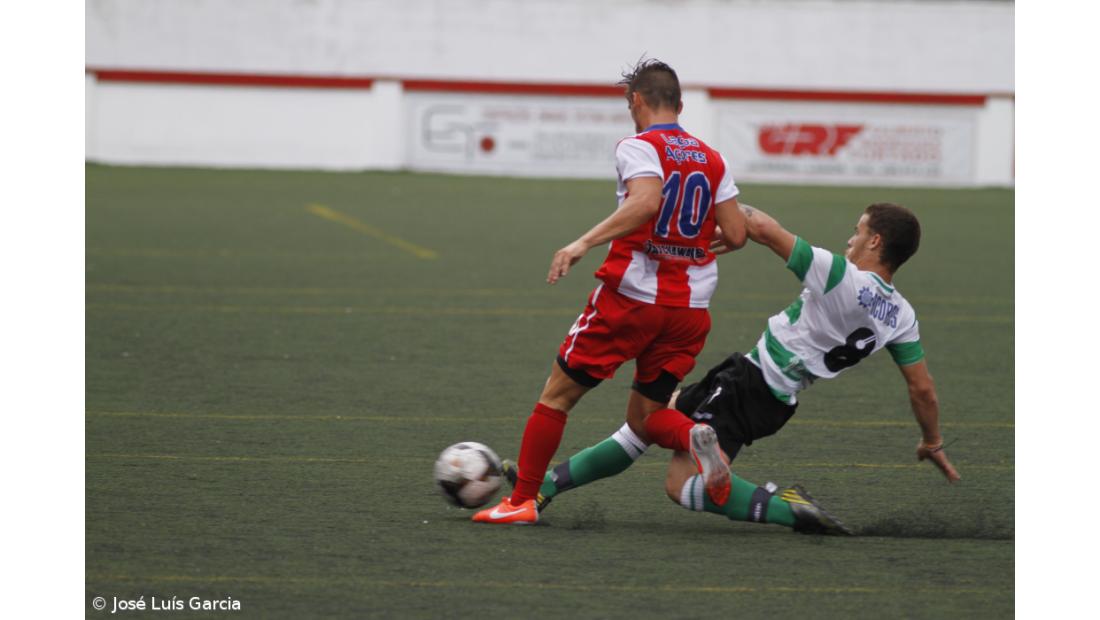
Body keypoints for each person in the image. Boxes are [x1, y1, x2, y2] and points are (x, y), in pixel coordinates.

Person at [502, 202, 960, 534]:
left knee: (679, 485)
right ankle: (545, 485)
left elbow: (763, 226)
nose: (850, 238)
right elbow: (923, 390)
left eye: (857, 231)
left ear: (875, 241)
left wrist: (712, 207)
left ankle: (785, 508)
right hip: (770, 395)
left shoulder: (839, 274)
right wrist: (932, 440)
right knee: (647, 420)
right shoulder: (901, 315)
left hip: (750, 386)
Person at [472, 59, 747, 525]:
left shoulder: (638, 146)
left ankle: (520, 502)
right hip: (690, 311)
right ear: (680, 105)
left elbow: (646, 201)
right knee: (647, 417)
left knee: (557, 396)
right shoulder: (712, 157)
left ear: (636, 101)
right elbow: (738, 234)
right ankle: (694, 437)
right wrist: (691, 244)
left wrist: (583, 242)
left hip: (631, 300)